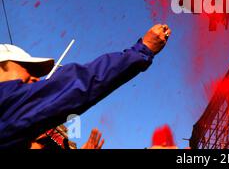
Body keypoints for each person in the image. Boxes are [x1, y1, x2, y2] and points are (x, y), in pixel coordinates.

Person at [0, 24, 171, 148]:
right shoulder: (6, 102)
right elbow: (79, 84)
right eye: (28, 70)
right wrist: (144, 49)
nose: (36, 80)